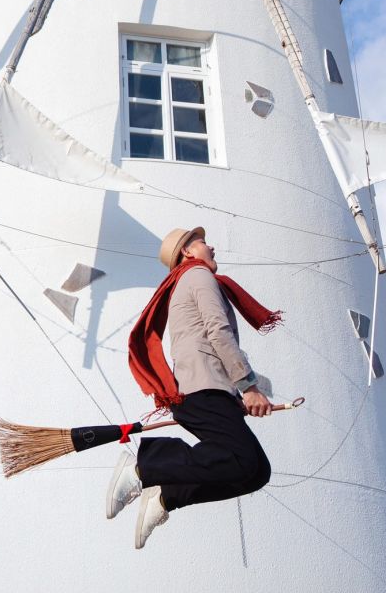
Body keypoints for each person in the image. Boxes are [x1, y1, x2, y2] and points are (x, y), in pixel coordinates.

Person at [106, 225, 281, 549]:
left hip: (209, 389)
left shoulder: (189, 279)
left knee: (256, 472)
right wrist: (248, 386)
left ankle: (165, 497)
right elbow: (218, 332)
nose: (211, 247)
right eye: (203, 242)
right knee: (243, 460)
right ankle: (142, 467)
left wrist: (238, 390)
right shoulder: (199, 276)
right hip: (202, 389)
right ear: (187, 251)